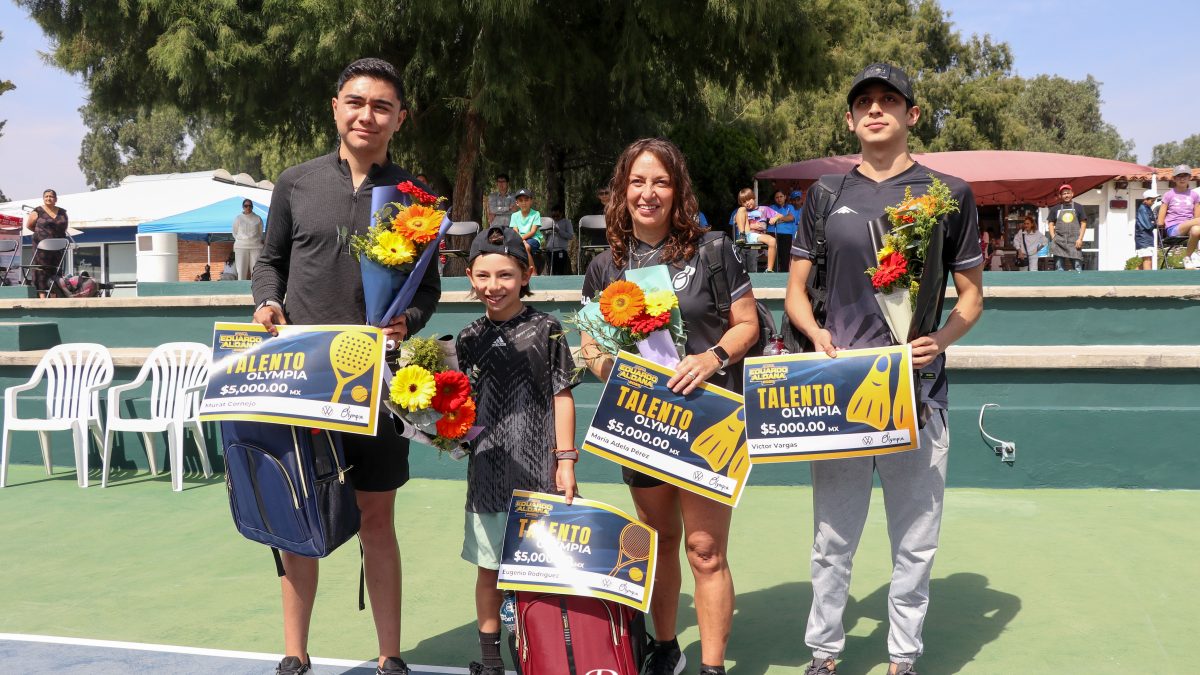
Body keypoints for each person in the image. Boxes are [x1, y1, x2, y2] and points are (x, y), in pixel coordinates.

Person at [784, 63, 983, 675]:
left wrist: (940, 339)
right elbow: (794, 291)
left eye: (889, 100)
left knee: (915, 541)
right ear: (850, 118)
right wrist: (814, 335)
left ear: (912, 115)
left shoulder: (949, 193)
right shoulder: (826, 195)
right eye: (864, 101)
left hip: (917, 394)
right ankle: (825, 652)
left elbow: (971, 297)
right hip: (841, 393)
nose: (876, 110)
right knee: (832, 541)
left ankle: (903, 657)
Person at [251, 57, 441, 675]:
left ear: (400, 119)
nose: (367, 115)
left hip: (378, 383)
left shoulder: (414, 198)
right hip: (302, 379)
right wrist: (267, 301)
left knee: (375, 517)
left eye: (382, 106)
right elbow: (268, 261)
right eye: (356, 102)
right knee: (296, 513)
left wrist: (405, 323)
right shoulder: (295, 183)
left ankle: (390, 656)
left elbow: (427, 289)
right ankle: (294, 654)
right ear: (335, 107)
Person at [579, 138, 760, 675]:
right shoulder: (605, 265)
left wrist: (712, 357)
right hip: (642, 423)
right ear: (622, 190)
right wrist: (609, 369)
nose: (648, 193)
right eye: (637, 182)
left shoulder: (712, 249)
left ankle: (711, 666)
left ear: (677, 189)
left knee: (705, 550)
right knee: (657, 543)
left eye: (660, 182)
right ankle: (664, 647)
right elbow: (590, 344)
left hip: (709, 422)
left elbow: (748, 324)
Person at [457, 225, 579, 675]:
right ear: (470, 276)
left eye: (505, 275)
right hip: (487, 475)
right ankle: (491, 661)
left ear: (526, 275)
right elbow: (457, 406)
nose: (494, 286)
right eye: (484, 276)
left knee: (538, 572)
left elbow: (562, 394)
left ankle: (540, 654)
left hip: (540, 474)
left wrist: (565, 461)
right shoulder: (467, 337)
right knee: (489, 570)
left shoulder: (546, 328)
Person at [23, 189, 68, 297]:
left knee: (56, 268)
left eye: (51, 196)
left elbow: (64, 227)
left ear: (56, 199)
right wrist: (42, 234)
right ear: (43, 198)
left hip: (58, 245)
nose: (48, 198)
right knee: (41, 269)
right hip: (41, 245)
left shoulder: (62, 212)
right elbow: (29, 225)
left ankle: (54, 294)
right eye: (46, 196)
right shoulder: (37, 211)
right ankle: (42, 295)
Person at [1156, 165, 1200, 269]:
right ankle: (1197, 254)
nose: (1182, 178)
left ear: (1190, 178)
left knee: (1196, 230)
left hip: (1190, 227)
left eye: (1185, 176)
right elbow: (1160, 220)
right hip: (1173, 228)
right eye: (1179, 176)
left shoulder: (1195, 195)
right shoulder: (1168, 195)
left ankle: (1188, 258)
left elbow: (1197, 217)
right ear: (1174, 179)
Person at [734, 188, 781, 272]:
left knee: (773, 241)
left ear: (754, 197)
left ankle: (769, 269)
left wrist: (775, 218)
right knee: (741, 209)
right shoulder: (742, 211)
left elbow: (780, 215)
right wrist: (752, 225)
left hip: (758, 236)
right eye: (744, 202)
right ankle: (742, 236)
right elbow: (736, 222)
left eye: (749, 199)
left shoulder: (764, 209)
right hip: (745, 234)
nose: (747, 203)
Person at [1047, 183, 1088, 271]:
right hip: (1059, 242)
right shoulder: (1055, 208)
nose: (1066, 195)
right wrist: (1053, 237)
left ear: (1072, 194)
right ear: (1060, 196)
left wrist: (1080, 239)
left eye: (1068, 193)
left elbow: (1083, 223)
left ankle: (1078, 284)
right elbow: (1050, 224)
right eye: (1064, 194)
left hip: (1074, 242)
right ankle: (1060, 284)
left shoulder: (1079, 207)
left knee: (1078, 268)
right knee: (1059, 268)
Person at [508, 188, 543, 274]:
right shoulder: (514, 216)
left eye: (526, 200)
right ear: (517, 203)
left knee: (525, 247)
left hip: (533, 239)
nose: (524, 203)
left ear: (531, 201)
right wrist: (519, 240)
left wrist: (521, 240)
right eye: (521, 200)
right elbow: (515, 231)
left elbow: (533, 232)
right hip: (519, 239)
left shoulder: (536, 214)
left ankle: (533, 273)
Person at [232, 199, 265, 280]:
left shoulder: (258, 218)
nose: (248, 207)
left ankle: (256, 291)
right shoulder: (238, 218)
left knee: (256, 271)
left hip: (256, 247)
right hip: (241, 247)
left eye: (250, 206)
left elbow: (260, 233)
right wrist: (241, 240)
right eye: (246, 206)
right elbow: (234, 232)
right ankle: (240, 291)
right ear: (243, 207)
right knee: (241, 272)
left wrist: (255, 241)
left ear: (252, 207)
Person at [768, 189, 799, 274]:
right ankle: (772, 278)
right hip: (773, 234)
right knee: (774, 257)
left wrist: (777, 218)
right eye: (777, 197)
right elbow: (770, 219)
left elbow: (791, 218)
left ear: (785, 197)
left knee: (785, 257)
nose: (779, 199)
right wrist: (784, 218)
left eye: (781, 196)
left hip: (786, 235)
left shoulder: (790, 207)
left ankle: (783, 278)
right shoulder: (771, 207)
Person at [546, 204, 575, 274]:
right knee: (550, 271)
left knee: (560, 272)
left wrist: (558, 230)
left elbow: (570, 236)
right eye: (553, 216)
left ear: (561, 214)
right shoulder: (549, 222)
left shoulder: (567, 222)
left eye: (557, 216)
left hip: (560, 250)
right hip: (549, 251)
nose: (555, 218)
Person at [1135, 189, 1158, 270]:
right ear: (1145, 200)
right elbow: (1148, 225)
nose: (1153, 202)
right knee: (1147, 260)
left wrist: (1154, 223)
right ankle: (1149, 280)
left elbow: (1152, 222)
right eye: (1152, 200)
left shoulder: (1147, 208)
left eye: (1154, 200)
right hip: (1143, 238)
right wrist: (1155, 223)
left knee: (1146, 259)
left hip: (1147, 238)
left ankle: (1130, 277)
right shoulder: (1143, 209)